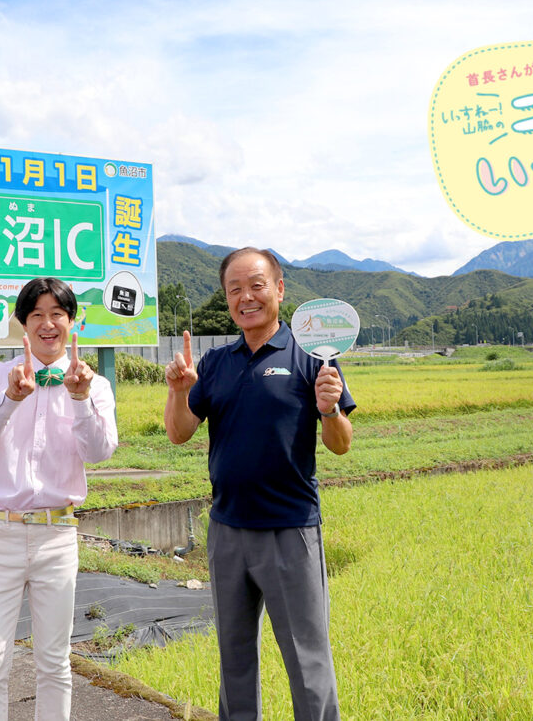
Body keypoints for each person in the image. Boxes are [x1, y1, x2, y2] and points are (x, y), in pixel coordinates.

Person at [164, 248, 355, 721]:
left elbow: (341, 444)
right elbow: (179, 432)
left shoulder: (311, 360)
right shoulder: (216, 362)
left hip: (289, 530)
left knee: (307, 660)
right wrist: (178, 391)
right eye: (235, 289)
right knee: (234, 658)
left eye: (256, 285)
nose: (246, 297)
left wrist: (329, 409)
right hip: (227, 530)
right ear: (227, 298)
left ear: (279, 290)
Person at [0, 277, 118, 720]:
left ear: (72, 321)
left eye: (57, 315)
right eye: (37, 316)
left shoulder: (95, 384)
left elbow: (101, 451)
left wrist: (81, 398)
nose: (48, 325)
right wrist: (10, 398)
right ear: (22, 324)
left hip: (58, 533)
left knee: (55, 661)